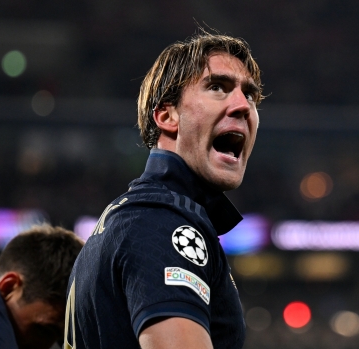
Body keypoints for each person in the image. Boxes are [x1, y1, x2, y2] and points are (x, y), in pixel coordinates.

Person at [64, 30, 264, 349]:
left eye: (250, 96)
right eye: (217, 87)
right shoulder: (162, 223)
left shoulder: (126, 217)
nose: (243, 105)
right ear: (167, 115)